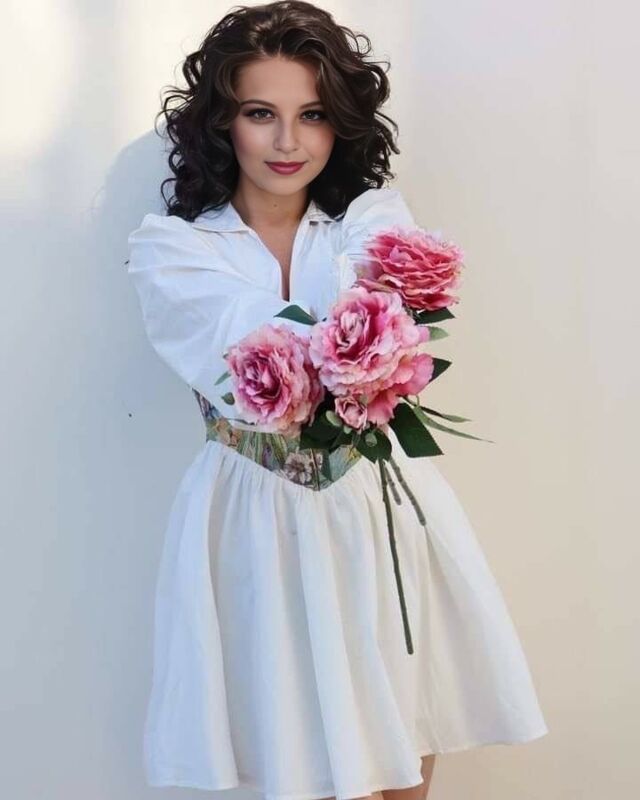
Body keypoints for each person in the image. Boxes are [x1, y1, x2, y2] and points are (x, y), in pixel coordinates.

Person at [126, 3, 549, 799]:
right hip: (257, 524)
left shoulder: (374, 217)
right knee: (310, 764)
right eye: (261, 113)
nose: (288, 141)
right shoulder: (172, 250)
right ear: (222, 121)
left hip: (381, 512)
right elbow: (271, 359)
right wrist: (353, 338)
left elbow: (372, 332)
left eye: (313, 115)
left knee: (404, 757)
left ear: (340, 123)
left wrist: (357, 340)